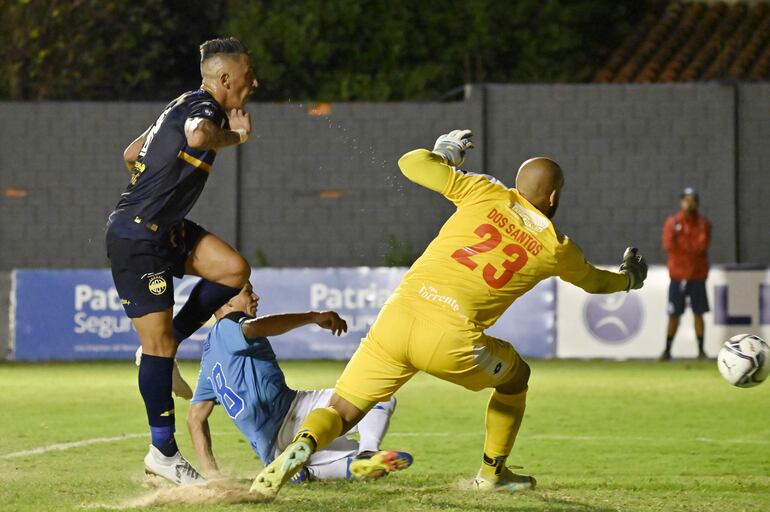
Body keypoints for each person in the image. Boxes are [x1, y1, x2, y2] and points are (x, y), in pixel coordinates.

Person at [250, 129, 648, 497]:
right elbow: (596, 282)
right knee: (516, 378)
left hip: (398, 317)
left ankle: (303, 445)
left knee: (341, 409)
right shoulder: (556, 247)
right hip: (451, 339)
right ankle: (493, 473)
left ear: (516, 184)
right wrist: (629, 278)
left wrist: (446, 153)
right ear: (554, 198)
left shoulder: (486, 192)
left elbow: (410, 164)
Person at [105, 37, 258, 485]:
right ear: (225, 78)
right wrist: (239, 135)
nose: (255, 81)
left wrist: (158, 189)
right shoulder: (206, 109)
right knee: (159, 349)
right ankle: (163, 452)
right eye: (248, 73)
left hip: (163, 227)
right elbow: (198, 135)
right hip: (138, 239)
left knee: (233, 270)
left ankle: (163, 346)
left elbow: (132, 154)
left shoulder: (181, 102)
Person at [186, 283, 413, 483]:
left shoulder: (208, 358)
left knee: (370, 469)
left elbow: (195, 418)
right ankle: (368, 450)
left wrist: (212, 476)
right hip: (293, 413)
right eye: (248, 292)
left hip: (272, 448)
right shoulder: (227, 325)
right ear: (226, 301)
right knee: (376, 395)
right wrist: (313, 316)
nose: (256, 297)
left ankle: (303, 471)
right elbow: (254, 327)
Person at [661, 186, 711, 360]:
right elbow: (668, 246)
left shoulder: (703, 223)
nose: (688, 203)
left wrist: (682, 245)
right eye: (685, 199)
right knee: (674, 314)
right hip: (677, 275)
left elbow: (701, 247)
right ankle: (667, 350)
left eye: (692, 199)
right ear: (681, 201)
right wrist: (687, 247)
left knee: (699, 313)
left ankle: (701, 351)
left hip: (697, 275)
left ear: (696, 203)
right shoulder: (672, 222)